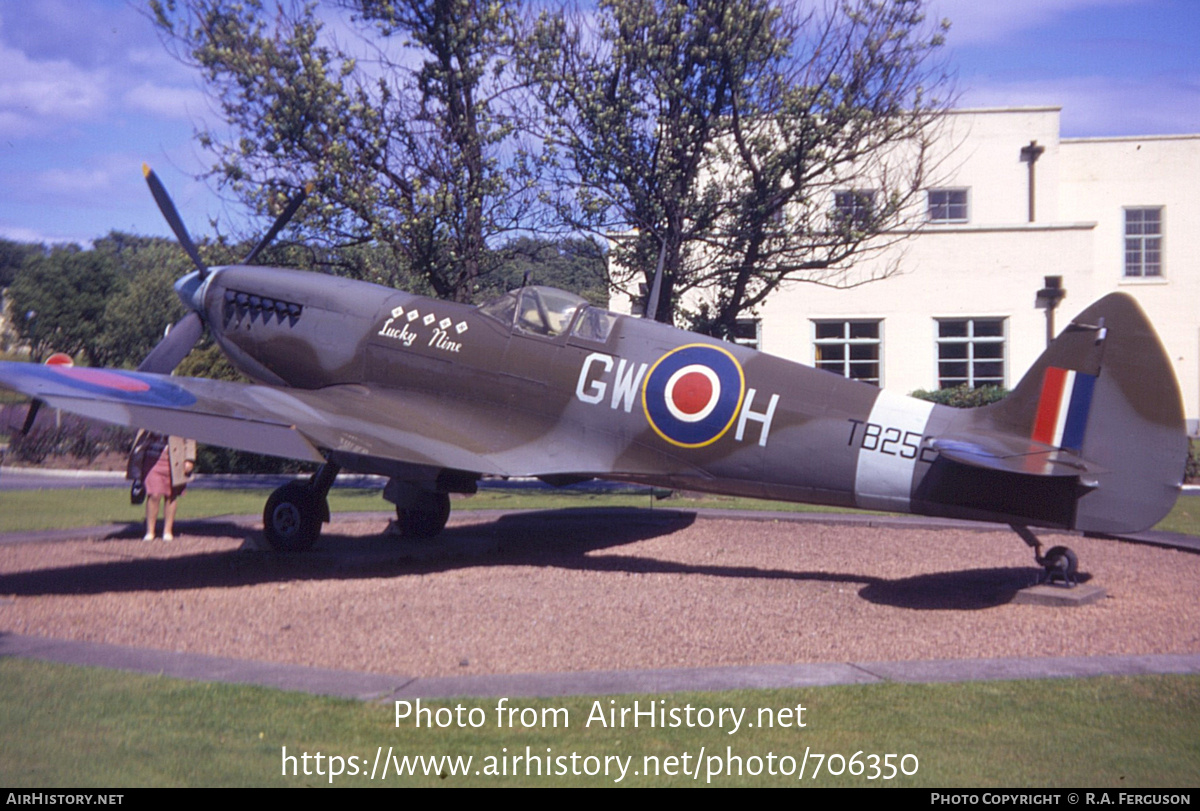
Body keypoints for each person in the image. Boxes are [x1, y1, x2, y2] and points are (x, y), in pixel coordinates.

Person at [127, 431, 196, 542]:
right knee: (153, 494)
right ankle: (150, 532)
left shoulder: (181, 416)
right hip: (151, 457)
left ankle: (167, 531)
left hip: (174, 458)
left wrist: (189, 458)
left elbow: (190, 435)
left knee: (171, 495)